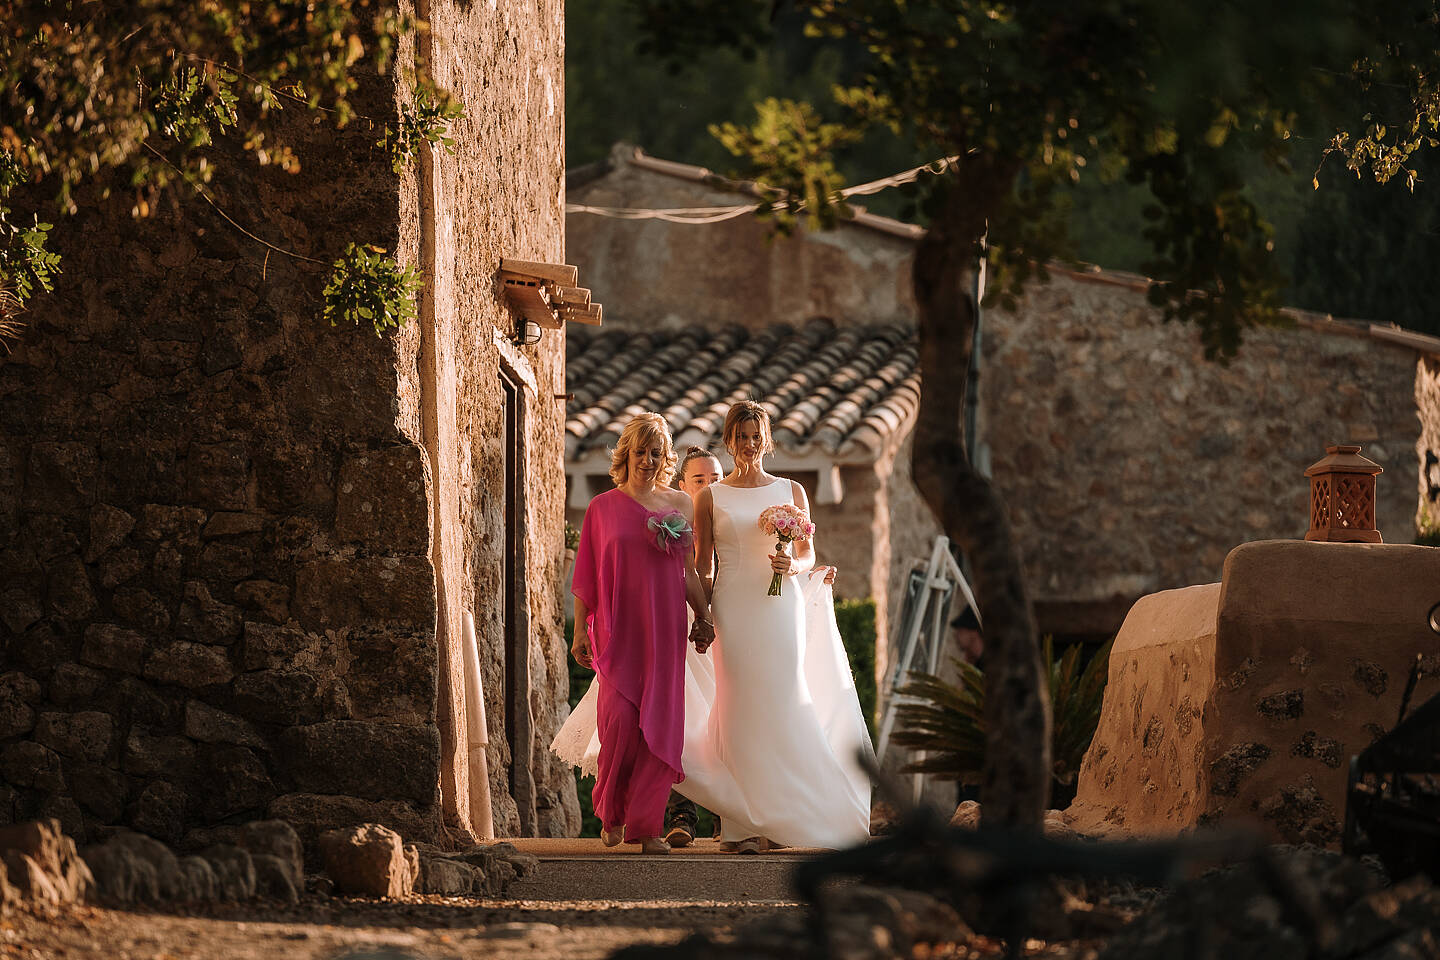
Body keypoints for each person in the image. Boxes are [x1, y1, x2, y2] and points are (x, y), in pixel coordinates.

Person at [677, 401, 872, 853]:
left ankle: (785, 816)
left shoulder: (792, 490)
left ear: (766, 439)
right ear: (729, 441)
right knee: (738, 705)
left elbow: (807, 553)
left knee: (784, 699)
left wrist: (792, 562)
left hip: (780, 608)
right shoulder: (712, 496)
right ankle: (741, 827)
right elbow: (703, 563)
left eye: (754, 436)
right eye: (739, 436)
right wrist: (702, 616)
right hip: (733, 608)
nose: (747, 445)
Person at [568, 413, 714, 854]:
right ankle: (611, 812)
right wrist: (579, 630)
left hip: (666, 632)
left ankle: (647, 828)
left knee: (660, 727)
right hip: (617, 632)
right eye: (640, 452)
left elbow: (687, 572)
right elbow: (586, 576)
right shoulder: (601, 508)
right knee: (618, 729)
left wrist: (704, 616)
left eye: (656, 453)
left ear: (664, 458)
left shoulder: (681, 504)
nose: (648, 461)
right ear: (625, 455)